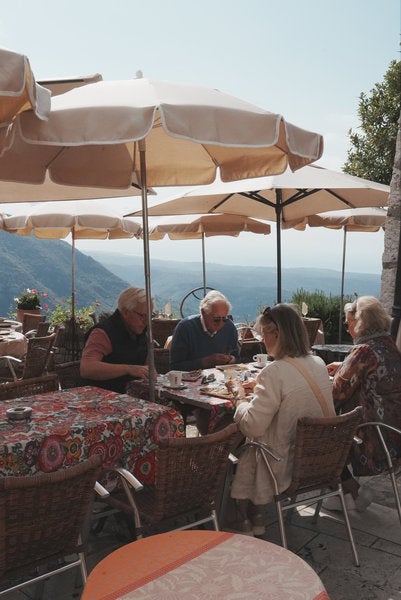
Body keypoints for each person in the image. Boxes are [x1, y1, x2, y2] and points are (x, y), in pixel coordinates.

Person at [228, 303, 334, 536]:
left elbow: (251, 425)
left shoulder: (274, 372)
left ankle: (242, 517)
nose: (262, 340)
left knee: (243, 443)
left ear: (277, 335)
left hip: (283, 466)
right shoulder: (318, 363)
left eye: (263, 334)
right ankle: (256, 514)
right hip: (320, 461)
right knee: (262, 437)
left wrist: (239, 397)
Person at [326, 296, 401, 509]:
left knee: (319, 436)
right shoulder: (390, 346)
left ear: (360, 322)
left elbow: (336, 393)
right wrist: (343, 365)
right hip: (394, 433)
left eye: (348, 323)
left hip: (372, 437)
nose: (347, 328)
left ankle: (349, 491)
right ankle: (349, 493)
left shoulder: (363, 351)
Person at [80, 286, 152, 393]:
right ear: (126, 312)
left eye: (150, 316)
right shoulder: (103, 332)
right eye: (142, 316)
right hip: (101, 395)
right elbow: (87, 368)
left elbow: (148, 367)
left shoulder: (141, 332)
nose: (146, 321)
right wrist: (129, 369)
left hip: (130, 395)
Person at [169, 290, 240, 371]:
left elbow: (237, 358)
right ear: (203, 313)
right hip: (193, 378)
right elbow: (175, 367)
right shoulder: (185, 328)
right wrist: (204, 362)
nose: (221, 324)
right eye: (216, 319)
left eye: (224, 319)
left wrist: (231, 359)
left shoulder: (229, 326)